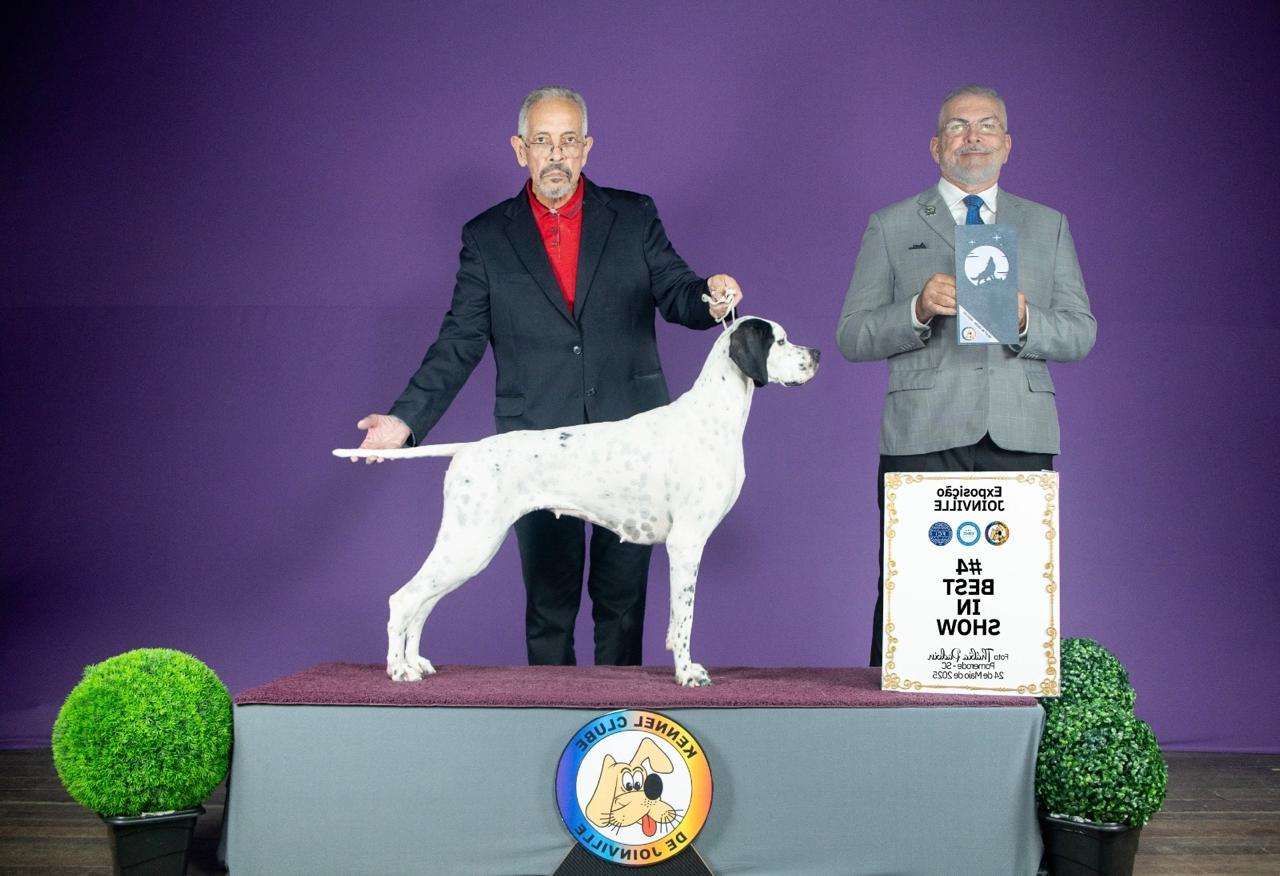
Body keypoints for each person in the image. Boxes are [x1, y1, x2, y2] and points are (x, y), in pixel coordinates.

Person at [353, 85, 743, 667]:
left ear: (586, 148)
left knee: (622, 605)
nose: (555, 154)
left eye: (567, 141)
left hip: (632, 444)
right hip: (536, 441)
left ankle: (620, 727)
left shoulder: (634, 216)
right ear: (519, 149)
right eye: (541, 141)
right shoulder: (486, 236)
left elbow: (677, 292)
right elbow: (458, 341)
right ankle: (548, 731)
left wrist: (711, 300)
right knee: (549, 605)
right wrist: (405, 422)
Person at [836, 84, 1096, 666]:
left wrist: (1028, 317)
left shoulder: (1048, 225)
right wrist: (916, 310)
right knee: (912, 594)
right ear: (935, 146)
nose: (972, 137)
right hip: (922, 433)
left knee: (1017, 595)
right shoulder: (890, 224)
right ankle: (895, 736)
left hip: (1019, 432)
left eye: (986, 126)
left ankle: (1009, 742)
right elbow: (852, 335)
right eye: (957, 126)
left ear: (1007, 144)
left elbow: (1081, 332)